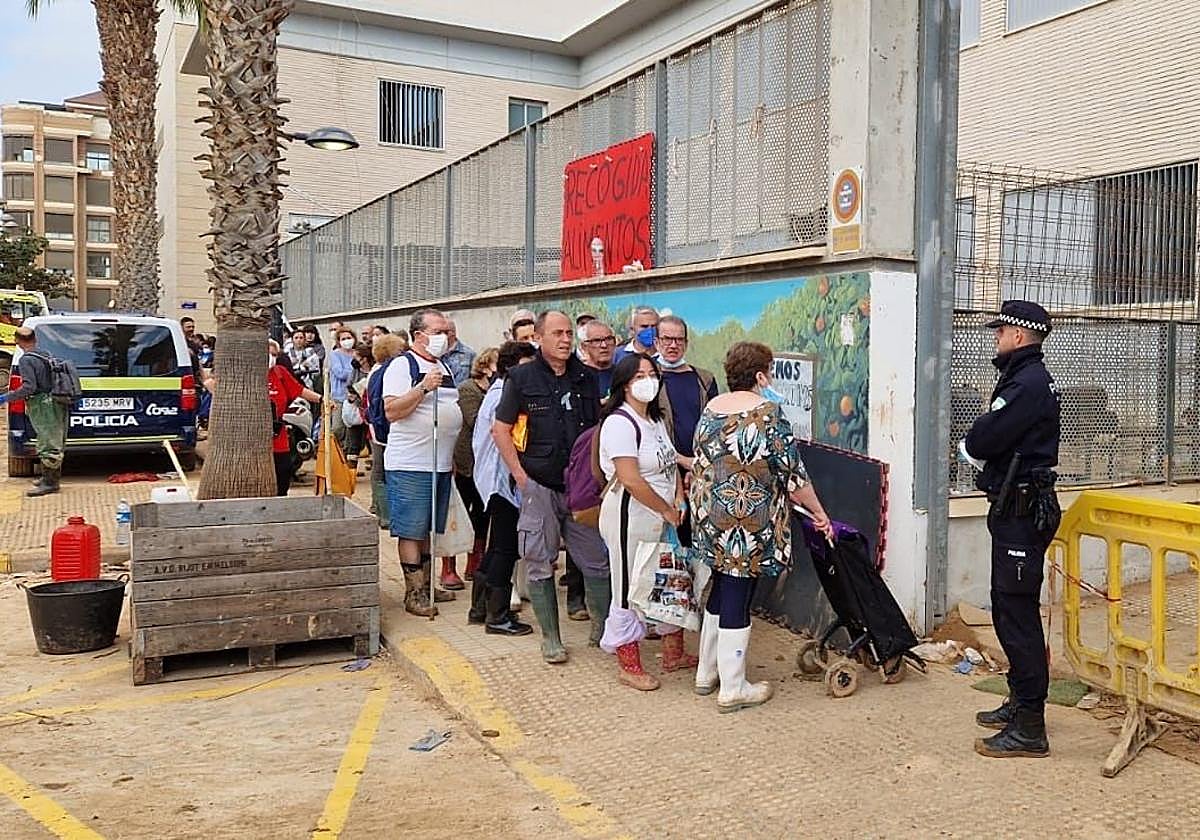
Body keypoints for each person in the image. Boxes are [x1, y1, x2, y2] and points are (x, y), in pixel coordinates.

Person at [689, 341, 832, 712]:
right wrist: (820, 513)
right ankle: (733, 687)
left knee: (721, 587)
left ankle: (707, 672)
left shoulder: (711, 410)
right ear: (759, 375)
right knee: (739, 593)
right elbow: (794, 475)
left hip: (711, 518)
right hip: (748, 521)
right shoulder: (767, 413)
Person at [961, 300, 1061, 759]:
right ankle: (1021, 702)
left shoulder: (1027, 383)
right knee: (1007, 608)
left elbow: (984, 438)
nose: (996, 338)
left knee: (1016, 615)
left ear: (1019, 336)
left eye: (1001, 331)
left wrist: (975, 440)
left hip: (1023, 513)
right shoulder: (1023, 378)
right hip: (1015, 510)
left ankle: (1030, 727)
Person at [492, 310, 610, 664]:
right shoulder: (521, 377)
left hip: (580, 487)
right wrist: (521, 477)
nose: (564, 339)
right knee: (540, 562)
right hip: (539, 484)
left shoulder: (585, 378)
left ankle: (601, 629)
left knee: (597, 560)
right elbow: (501, 430)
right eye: (557, 333)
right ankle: (551, 638)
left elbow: (597, 429)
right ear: (539, 337)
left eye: (569, 333)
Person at [597, 354, 690, 691]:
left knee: (667, 577)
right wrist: (665, 509)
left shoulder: (656, 421)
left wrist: (677, 496)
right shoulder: (619, 423)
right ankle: (629, 663)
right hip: (630, 514)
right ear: (624, 383)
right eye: (639, 375)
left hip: (663, 511)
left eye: (652, 374)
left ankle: (672, 653)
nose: (647, 380)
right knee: (627, 586)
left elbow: (669, 463)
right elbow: (631, 479)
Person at [383, 308, 462, 617]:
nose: (445, 337)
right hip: (411, 464)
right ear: (419, 335)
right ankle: (413, 592)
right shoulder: (402, 366)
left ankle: (428, 586)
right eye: (439, 331)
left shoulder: (444, 366)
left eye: (446, 331)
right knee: (412, 529)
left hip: (440, 463)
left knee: (429, 528)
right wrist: (423, 387)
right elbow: (392, 411)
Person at [473, 341, 538, 636]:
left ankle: (479, 608)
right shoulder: (504, 395)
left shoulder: (499, 391)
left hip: (494, 480)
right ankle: (497, 616)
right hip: (503, 482)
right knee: (505, 548)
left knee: (496, 546)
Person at [655, 315, 718, 545]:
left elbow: (714, 428)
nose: (673, 345)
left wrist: (697, 465)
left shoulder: (704, 379)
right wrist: (679, 461)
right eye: (667, 339)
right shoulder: (649, 378)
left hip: (700, 472)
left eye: (679, 340)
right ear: (657, 342)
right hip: (664, 474)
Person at [0, 327, 68, 496]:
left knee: (47, 443)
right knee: (53, 440)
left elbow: (29, 387)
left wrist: (5, 398)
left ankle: (50, 483)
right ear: (34, 339)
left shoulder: (26, 360)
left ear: (17, 341)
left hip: (43, 405)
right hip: (55, 401)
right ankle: (48, 478)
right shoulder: (44, 354)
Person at [454, 347, 498, 607]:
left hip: (488, 460)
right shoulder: (468, 389)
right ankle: (461, 561)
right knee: (467, 511)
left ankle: (476, 560)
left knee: (483, 514)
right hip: (468, 458)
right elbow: (475, 419)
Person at [267, 339, 321, 496]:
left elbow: (299, 390)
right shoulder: (249, 376)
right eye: (268, 354)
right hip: (256, 435)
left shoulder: (280, 373)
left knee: (283, 470)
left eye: (274, 354)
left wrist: (321, 399)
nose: (271, 358)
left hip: (278, 432)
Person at [366, 333, 408, 531]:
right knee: (383, 473)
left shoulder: (375, 373)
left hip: (378, 431)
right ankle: (387, 516)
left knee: (379, 472)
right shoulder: (391, 373)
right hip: (389, 431)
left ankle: (384, 514)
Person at [328, 327, 358, 467]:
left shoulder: (356, 354)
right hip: (339, 397)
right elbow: (339, 373)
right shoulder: (335, 354)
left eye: (349, 337)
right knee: (337, 428)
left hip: (355, 396)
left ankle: (347, 459)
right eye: (343, 338)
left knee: (352, 430)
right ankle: (337, 455)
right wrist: (354, 371)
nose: (347, 341)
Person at [580, 319, 617, 399]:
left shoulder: (624, 374)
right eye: (596, 340)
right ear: (584, 347)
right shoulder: (578, 378)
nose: (604, 345)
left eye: (608, 339)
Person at [441, 319, 477, 387]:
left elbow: (475, 378)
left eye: (445, 332)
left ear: (453, 332)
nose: (442, 335)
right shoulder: (436, 354)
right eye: (439, 332)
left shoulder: (468, 354)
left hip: (462, 395)